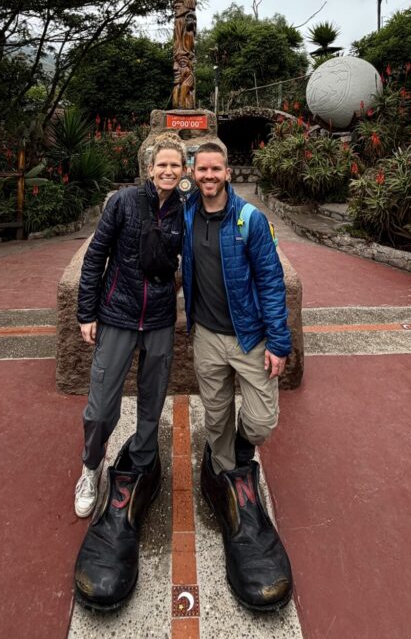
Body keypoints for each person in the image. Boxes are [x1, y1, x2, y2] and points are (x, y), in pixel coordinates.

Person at [73, 134, 186, 611]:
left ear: (183, 170)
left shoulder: (185, 210)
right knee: (102, 405)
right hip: (117, 315)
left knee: (152, 400)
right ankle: (91, 467)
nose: (168, 171)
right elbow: (95, 256)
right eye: (162, 164)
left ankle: (141, 464)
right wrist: (86, 312)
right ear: (149, 166)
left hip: (158, 319)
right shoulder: (122, 203)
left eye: (175, 165)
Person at [182, 138, 293, 611]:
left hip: (249, 337)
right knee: (215, 417)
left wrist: (279, 342)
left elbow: (271, 280)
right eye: (201, 169)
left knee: (262, 421)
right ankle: (230, 483)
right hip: (206, 336)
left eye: (216, 169)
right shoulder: (187, 213)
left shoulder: (250, 220)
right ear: (194, 173)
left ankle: (239, 450)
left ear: (228, 172)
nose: (208, 176)